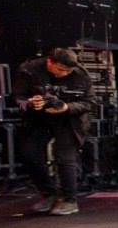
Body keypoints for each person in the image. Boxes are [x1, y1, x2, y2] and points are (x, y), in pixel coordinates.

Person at [13, 47, 94, 216]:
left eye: (68, 71)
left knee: (65, 158)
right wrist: (30, 102)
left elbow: (88, 103)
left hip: (69, 119)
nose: (64, 74)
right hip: (40, 118)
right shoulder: (29, 69)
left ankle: (69, 200)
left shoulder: (80, 74)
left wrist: (67, 107)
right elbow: (18, 97)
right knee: (29, 155)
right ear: (49, 62)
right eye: (60, 70)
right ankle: (49, 193)